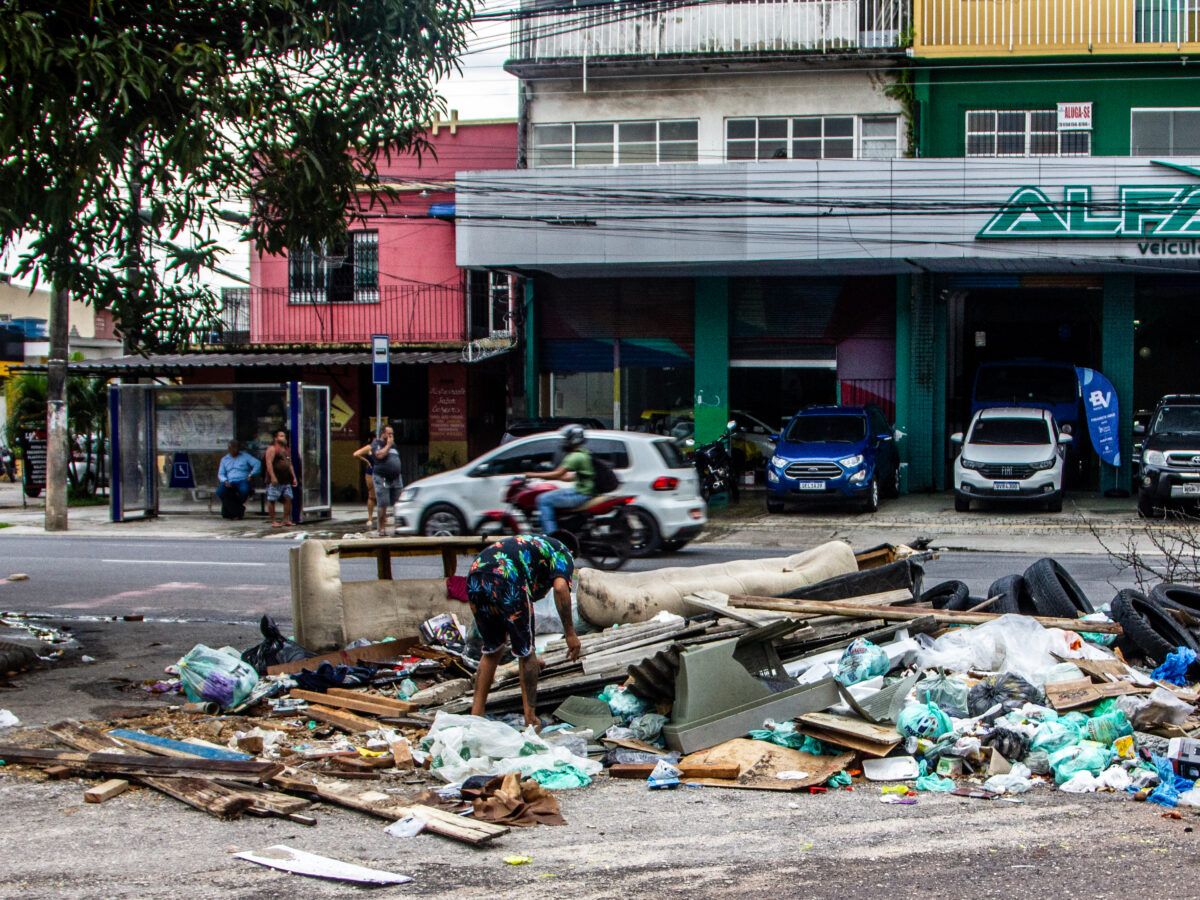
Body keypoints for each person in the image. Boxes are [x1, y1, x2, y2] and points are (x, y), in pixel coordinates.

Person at [455, 534, 581, 728]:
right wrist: (571, 634)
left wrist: (528, 654)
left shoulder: (536, 545)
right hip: (507, 577)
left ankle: (476, 715)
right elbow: (560, 587)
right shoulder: (563, 552)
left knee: (492, 648)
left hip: (475, 575)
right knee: (526, 653)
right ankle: (531, 719)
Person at [527, 424, 594, 535]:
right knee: (549, 494)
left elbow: (557, 473)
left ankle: (552, 536)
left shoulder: (575, 456)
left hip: (581, 494)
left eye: (566, 439)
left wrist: (532, 475)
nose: (564, 442)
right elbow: (576, 476)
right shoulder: (584, 453)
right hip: (583, 490)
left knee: (543, 500)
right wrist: (561, 477)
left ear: (573, 439)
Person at [369, 424, 403, 536]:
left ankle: (398, 526)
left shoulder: (394, 446)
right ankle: (382, 528)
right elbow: (379, 455)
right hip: (382, 477)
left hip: (396, 477)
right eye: (389, 433)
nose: (391, 436)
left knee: (398, 502)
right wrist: (388, 445)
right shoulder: (377, 444)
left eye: (392, 434)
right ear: (382, 433)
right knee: (383, 503)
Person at [215, 440, 261, 519]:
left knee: (244, 490)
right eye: (232, 448)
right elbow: (221, 473)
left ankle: (234, 508)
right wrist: (225, 480)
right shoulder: (224, 459)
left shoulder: (245, 456)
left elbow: (257, 463)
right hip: (230, 480)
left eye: (236, 447)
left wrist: (251, 474)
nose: (235, 450)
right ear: (229, 449)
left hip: (242, 479)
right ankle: (238, 508)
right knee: (219, 491)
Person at [264, 429, 298, 527]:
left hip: (286, 480)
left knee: (288, 498)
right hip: (276, 480)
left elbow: (289, 464)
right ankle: (273, 521)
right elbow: (269, 463)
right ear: (276, 438)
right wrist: (273, 477)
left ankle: (285, 519)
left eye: (284, 436)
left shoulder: (286, 449)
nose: (284, 438)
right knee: (272, 499)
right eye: (281, 436)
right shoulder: (272, 449)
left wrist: (294, 477)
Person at [351, 439, 377, 527]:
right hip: (371, 473)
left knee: (382, 494)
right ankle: (370, 517)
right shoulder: (369, 447)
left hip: (381, 473)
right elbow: (356, 454)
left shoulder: (383, 446)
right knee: (372, 495)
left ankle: (383, 517)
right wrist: (367, 461)